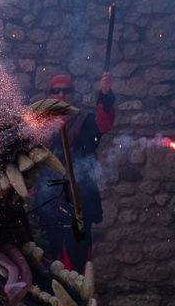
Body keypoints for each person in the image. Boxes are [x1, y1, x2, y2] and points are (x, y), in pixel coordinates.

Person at [31, 70, 115, 272]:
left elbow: (103, 124)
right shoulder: (38, 126)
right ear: (49, 94)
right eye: (56, 91)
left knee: (75, 263)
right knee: (49, 262)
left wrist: (105, 93)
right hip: (47, 203)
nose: (61, 95)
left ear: (73, 94)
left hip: (78, 202)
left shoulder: (84, 121)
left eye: (66, 91)